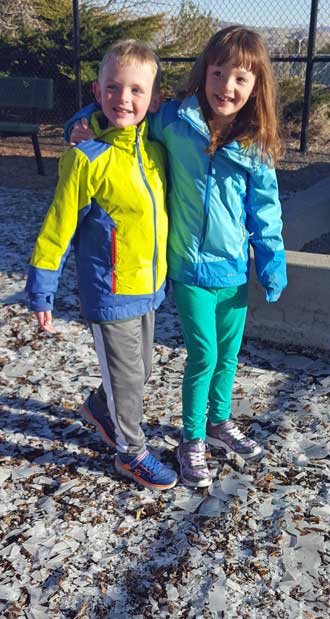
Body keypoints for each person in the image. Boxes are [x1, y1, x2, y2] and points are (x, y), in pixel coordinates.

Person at [66, 25, 287, 488]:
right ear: (204, 72)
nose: (227, 86)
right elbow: (127, 110)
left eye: (240, 79)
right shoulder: (175, 121)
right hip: (189, 269)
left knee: (229, 354)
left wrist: (271, 259)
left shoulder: (255, 144)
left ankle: (219, 421)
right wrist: (81, 122)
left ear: (256, 87)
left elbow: (265, 210)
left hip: (232, 269)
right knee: (203, 355)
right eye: (219, 72)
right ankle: (191, 439)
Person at [25, 39, 178, 491]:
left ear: (153, 98)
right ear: (97, 90)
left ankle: (99, 407)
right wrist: (41, 287)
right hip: (109, 289)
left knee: (141, 369)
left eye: (136, 90)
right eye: (114, 87)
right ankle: (130, 452)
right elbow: (58, 226)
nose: (124, 99)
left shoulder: (155, 151)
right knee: (129, 377)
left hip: (149, 286)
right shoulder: (85, 157)